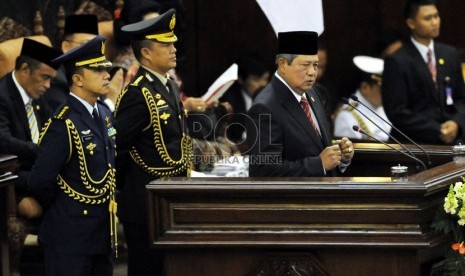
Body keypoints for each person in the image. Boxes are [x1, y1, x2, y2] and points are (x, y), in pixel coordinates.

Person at [28, 35, 116, 276]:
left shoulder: (105, 114)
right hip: (69, 236)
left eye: (106, 69)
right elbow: (41, 180)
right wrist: (64, 210)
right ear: (77, 79)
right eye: (98, 70)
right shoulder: (63, 123)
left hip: (101, 234)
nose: (107, 75)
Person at [114, 9, 192, 276]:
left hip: (168, 197)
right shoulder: (137, 94)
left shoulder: (168, 85)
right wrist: (124, 196)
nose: (174, 48)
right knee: (147, 269)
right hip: (143, 203)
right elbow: (116, 149)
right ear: (146, 53)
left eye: (173, 42)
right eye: (166, 44)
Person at [245, 31, 354, 177]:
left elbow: (317, 148)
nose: (312, 72)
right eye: (305, 65)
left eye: (315, 65)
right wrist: (319, 164)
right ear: (283, 65)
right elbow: (263, 170)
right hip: (294, 199)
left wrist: (340, 157)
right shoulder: (264, 108)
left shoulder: (312, 93)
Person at [0, 38, 61, 275]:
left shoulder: (37, 96)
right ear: (25, 70)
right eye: (45, 77)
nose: (48, 85)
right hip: (13, 180)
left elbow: (50, 131)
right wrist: (42, 151)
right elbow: (3, 141)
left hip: (37, 174)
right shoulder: (3, 96)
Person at [382, 0, 465, 145]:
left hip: (453, 142)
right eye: (428, 18)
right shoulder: (397, 61)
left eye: (436, 16)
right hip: (416, 145)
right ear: (411, 23)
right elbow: (397, 111)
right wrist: (436, 129)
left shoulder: (450, 54)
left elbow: (461, 99)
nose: (435, 22)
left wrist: (456, 123)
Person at [45, 14, 99, 112]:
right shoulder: (55, 79)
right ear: (66, 47)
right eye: (86, 44)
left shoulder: (99, 71)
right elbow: (73, 119)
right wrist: (110, 102)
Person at [334, 56, 392, 141]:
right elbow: (351, 152)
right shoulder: (347, 117)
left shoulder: (384, 109)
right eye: (382, 90)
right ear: (365, 88)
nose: (388, 93)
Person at [219, 53, 270, 143]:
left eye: (266, 79)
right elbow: (234, 135)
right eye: (257, 80)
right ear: (241, 79)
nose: (263, 84)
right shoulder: (229, 101)